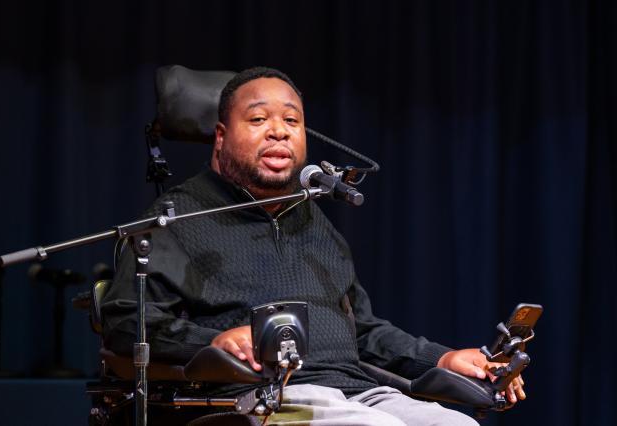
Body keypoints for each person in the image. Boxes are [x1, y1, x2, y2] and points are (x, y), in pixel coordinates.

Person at [101, 67, 525, 425]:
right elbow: (125, 324)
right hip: (261, 399)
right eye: (258, 120)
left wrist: (441, 359)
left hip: (358, 391)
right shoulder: (177, 216)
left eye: (291, 120)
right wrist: (210, 341)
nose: (278, 132)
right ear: (221, 136)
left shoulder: (314, 221)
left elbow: (363, 331)